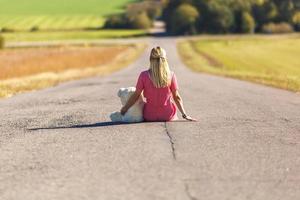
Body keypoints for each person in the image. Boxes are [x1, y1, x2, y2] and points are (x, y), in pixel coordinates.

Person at [121, 46, 196, 122]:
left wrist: (125, 108)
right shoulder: (171, 75)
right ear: (165, 59)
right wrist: (185, 115)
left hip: (149, 115)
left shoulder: (143, 75)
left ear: (150, 59)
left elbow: (136, 95)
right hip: (167, 115)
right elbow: (177, 97)